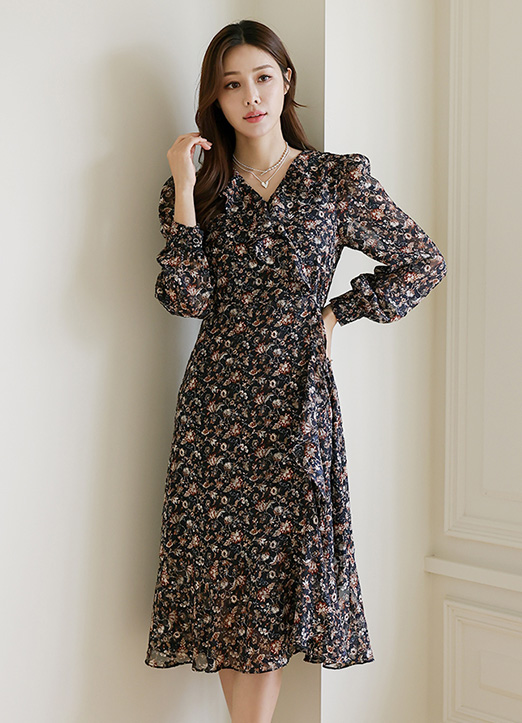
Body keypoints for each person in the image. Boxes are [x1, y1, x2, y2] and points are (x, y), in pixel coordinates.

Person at [144, 18, 447, 723]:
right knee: (230, 592)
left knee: (277, 586)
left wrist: (339, 312)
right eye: (231, 85)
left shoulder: (336, 180)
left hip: (296, 402)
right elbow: (186, 298)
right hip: (218, 407)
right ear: (214, 100)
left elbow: (422, 260)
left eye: (262, 78)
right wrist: (184, 188)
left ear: (286, 82)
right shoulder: (204, 187)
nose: (250, 96)